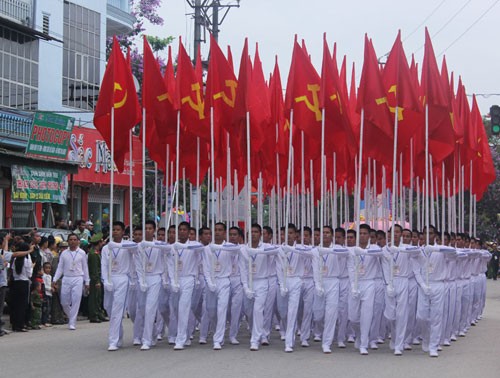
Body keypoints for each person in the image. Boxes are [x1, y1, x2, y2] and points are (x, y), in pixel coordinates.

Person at [240, 224, 280, 351]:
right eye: (251, 232)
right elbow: (242, 270)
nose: (253, 234)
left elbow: (278, 250)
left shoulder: (267, 247)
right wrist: (246, 287)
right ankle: (256, 331)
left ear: (260, 234)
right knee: (249, 311)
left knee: (258, 310)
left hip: (262, 282)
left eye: (256, 231)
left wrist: (258, 251)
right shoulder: (243, 249)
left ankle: (255, 340)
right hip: (248, 282)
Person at [202, 222, 241, 350]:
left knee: (221, 309)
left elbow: (238, 249)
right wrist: (209, 282)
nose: (217, 232)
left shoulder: (229, 247)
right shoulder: (208, 248)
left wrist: (223, 248)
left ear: (224, 233)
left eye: (220, 230)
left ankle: (218, 339)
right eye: (216, 230)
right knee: (211, 310)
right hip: (211, 281)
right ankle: (216, 330)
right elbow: (206, 267)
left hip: (224, 281)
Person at [168, 222, 204, 350]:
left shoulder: (194, 245)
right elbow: (170, 265)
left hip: (189, 278)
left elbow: (201, 249)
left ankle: (180, 339)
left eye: (184, 230)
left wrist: (184, 247)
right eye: (180, 230)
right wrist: (173, 281)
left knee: (184, 307)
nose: (182, 232)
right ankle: (187, 333)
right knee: (177, 309)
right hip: (177, 279)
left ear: (189, 232)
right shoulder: (172, 247)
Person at [102, 221, 138, 351]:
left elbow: (136, 249)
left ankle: (113, 340)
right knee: (109, 308)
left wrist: (120, 245)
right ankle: (119, 334)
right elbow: (104, 265)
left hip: (122, 279)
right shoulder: (106, 248)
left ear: (123, 232)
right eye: (114, 230)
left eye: (118, 230)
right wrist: (105, 280)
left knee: (117, 310)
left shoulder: (127, 245)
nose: (115, 232)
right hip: (111, 279)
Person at [52, 233, 90, 330]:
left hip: (78, 278)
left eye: (74, 239)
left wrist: (87, 281)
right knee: (64, 302)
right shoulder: (64, 253)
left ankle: (72, 322)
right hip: (66, 278)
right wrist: (55, 279)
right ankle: (72, 316)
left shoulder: (82, 253)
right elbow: (60, 267)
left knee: (76, 300)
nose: (72, 241)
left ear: (78, 241)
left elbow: (85, 268)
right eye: (70, 240)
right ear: (68, 241)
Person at [11, 242, 34, 332]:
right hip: (24, 282)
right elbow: (29, 274)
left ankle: (15, 324)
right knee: (23, 305)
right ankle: (20, 325)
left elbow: (13, 271)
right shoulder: (27, 259)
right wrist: (32, 267)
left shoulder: (16, 258)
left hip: (16, 282)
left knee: (16, 304)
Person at [87, 232, 107, 323]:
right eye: (101, 241)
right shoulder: (93, 254)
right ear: (99, 242)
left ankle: (99, 313)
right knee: (94, 297)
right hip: (95, 279)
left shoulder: (95, 252)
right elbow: (95, 269)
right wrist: (97, 281)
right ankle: (94, 315)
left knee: (98, 297)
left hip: (97, 277)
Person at [41, 262, 53, 327]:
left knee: (49, 308)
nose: (48, 269)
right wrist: (50, 289)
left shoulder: (50, 276)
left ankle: (46, 320)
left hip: (50, 294)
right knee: (45, 308)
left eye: (49, 268)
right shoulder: (44, 276)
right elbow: (44, 286)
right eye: (46, 268)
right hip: (46, 293)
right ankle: (44, 321)